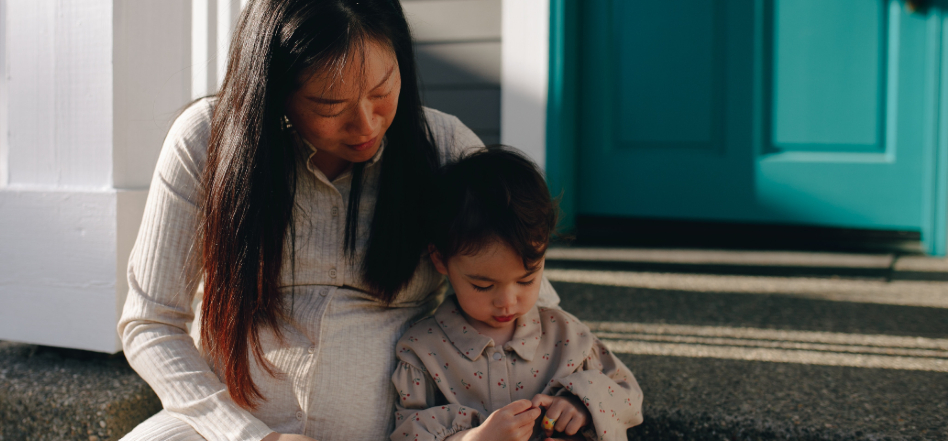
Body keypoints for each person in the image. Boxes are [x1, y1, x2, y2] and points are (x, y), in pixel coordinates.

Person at [116, 1, 561, 440]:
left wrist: (568, 396)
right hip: (227, 428)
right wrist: (249, 436)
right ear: (274, 89)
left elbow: (534, 304)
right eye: (330, 106)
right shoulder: (206, 143)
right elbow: (150, 324)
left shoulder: (442, 148)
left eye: (383, 90)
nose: (366, 124)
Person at [391, 147, 643, 441]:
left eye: (526, 280)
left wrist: (582, 403)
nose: (507, 302)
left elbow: (628, 396)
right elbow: (407, 433)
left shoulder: (568, 336)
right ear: (440, 259)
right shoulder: (423, 352)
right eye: (483, 286)